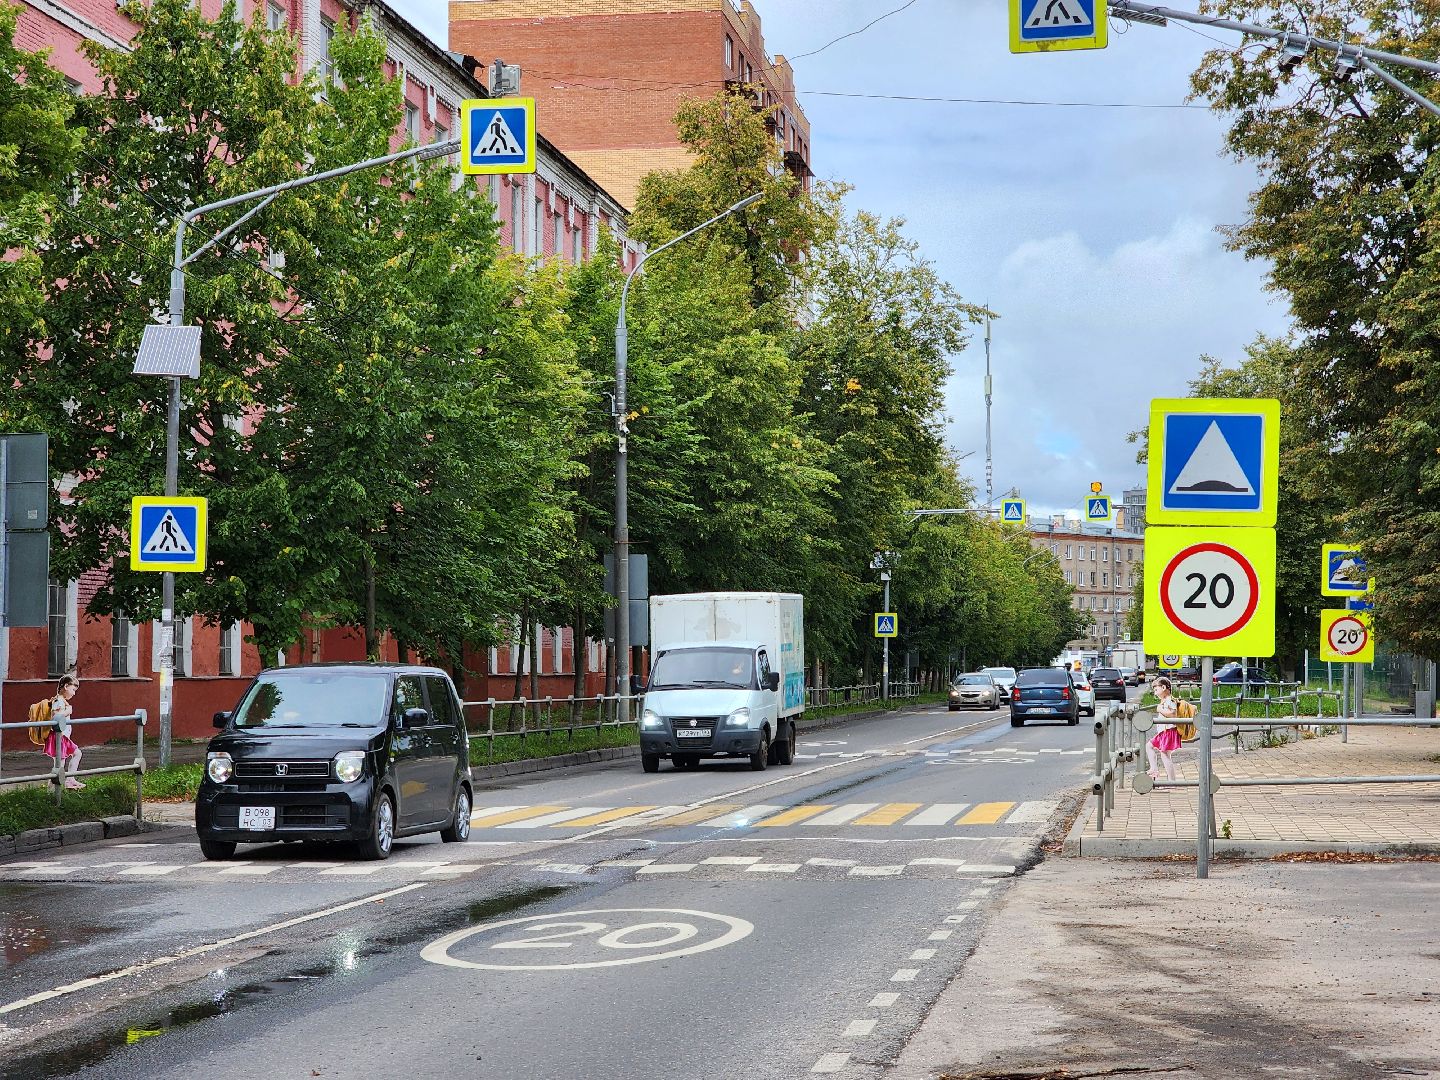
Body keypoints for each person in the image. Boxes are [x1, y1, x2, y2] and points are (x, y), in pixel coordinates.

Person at [44, 674, 84, 790]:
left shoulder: (62, 701)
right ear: (66, 686)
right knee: (59, 765)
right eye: (73, 690)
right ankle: (50, 791)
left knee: (77, 754)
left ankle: (70, 779)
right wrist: (68, 711)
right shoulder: (58, 701)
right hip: (59, 737)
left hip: (64, 737)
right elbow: (56, 716)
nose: (74, 693)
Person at [1148, 676, 1181, 781]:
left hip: (1168, 730)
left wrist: (1160, 710)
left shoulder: (1169, 700)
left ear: (1163, 687)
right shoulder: (1165, 701)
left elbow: (1172, 714)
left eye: (1156, 689)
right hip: (1164, 731)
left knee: (1165, 755)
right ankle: (1154, 769)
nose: (1155, 692)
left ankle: (1172, 781)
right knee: (1149, 746)